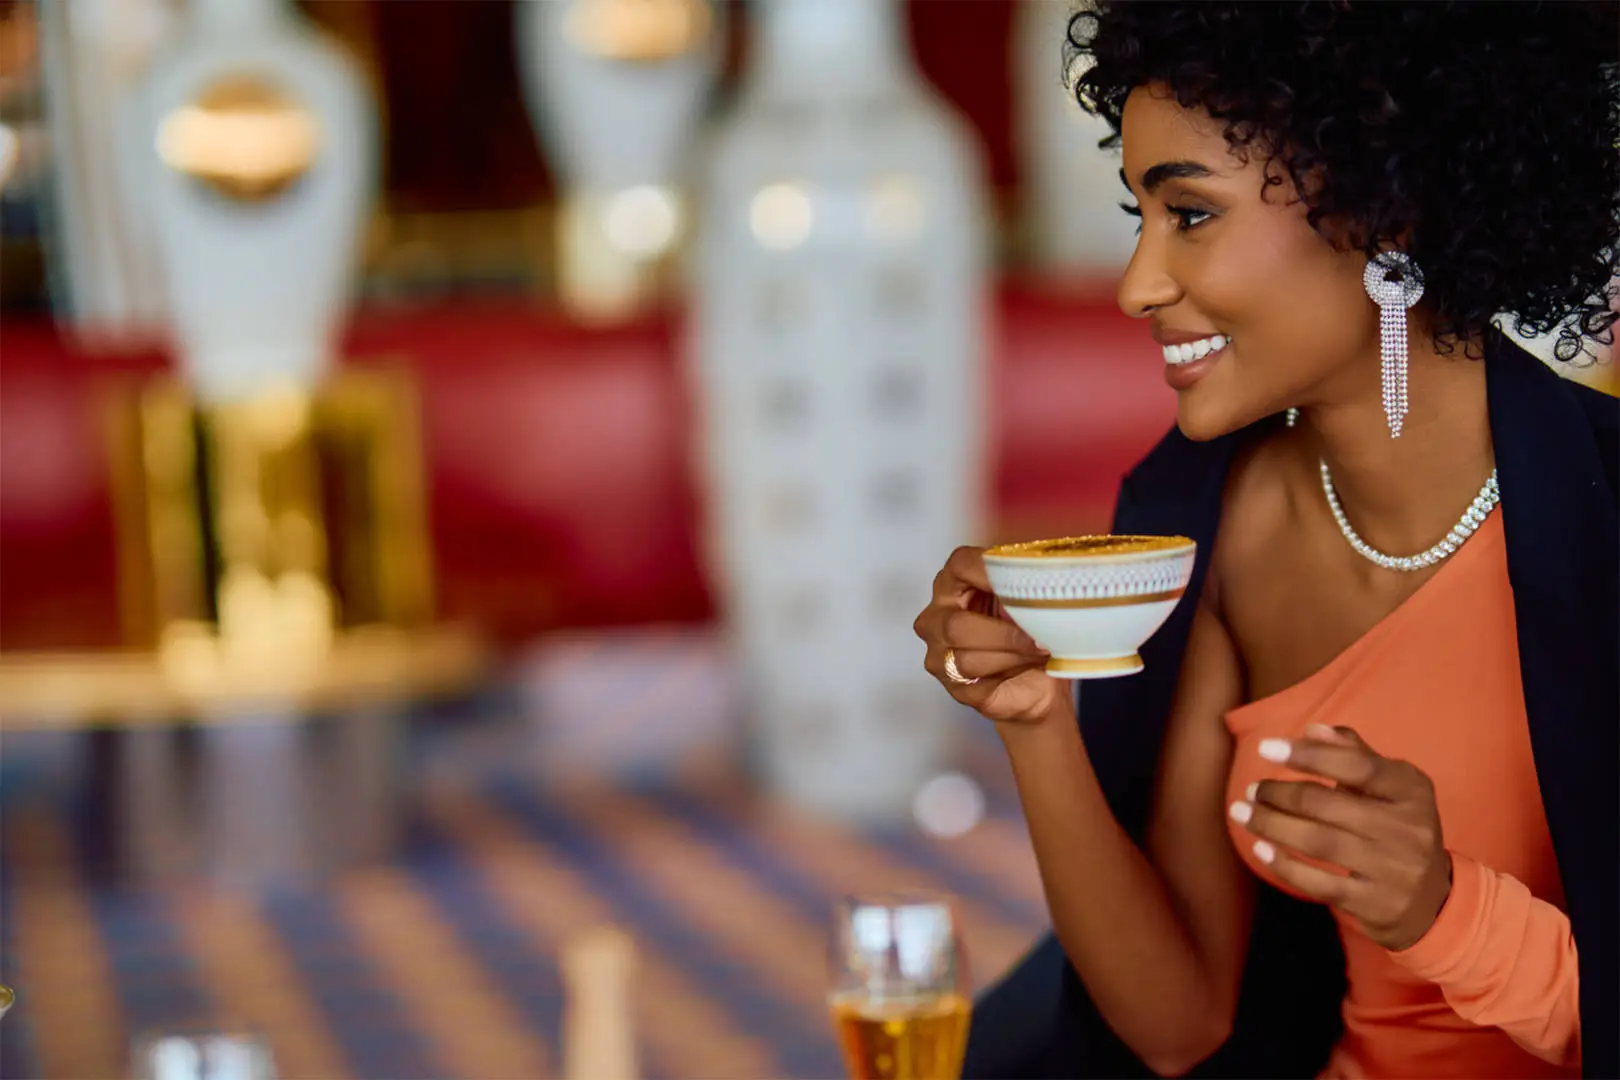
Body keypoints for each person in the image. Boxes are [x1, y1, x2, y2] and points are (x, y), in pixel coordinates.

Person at [912, 3, 1618, 1077]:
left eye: (1190, 214)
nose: (1137, 284)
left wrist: (1444, 911)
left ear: (1388, 216)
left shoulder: (1602, 517)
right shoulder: (1209, 520)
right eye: (1140, 217)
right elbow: (1180, 1024)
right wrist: (1036, 721)